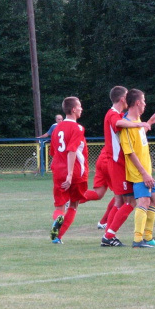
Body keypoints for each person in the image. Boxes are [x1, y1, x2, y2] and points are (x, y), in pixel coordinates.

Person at [90, 86, 155, 246]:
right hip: (117, 163)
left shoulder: (125, 117)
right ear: (123, 99)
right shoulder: (113, 115)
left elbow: (135, 134)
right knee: (129, 201)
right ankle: (110, 236)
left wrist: (147, 123)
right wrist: (139, 124)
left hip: (120, 163)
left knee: (122, 201)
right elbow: (121, 124)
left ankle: (109, 234)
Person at [120, 89, 155, 248]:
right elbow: (130, 152)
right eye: (144, 101)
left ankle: (148, 236)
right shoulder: (126, 125)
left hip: (145, 171)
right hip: (139, 172)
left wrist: (150, 122)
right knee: (144, 201)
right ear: (137, 102)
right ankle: (138, 240)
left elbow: (140, 137)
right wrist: (144, 174)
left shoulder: (137, 121)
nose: (145, 104)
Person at [48, 97, 89, 244]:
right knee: (73, 204)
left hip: (58, 171)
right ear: (73, 109)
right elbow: (72, 151)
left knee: (59, 205)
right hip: (75, 172)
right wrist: (70, 175)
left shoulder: (56, 128)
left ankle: (57, 218)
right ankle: (58, 236)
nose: (81, 109)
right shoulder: (77, 128)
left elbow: (53, 152)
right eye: (79, 107)